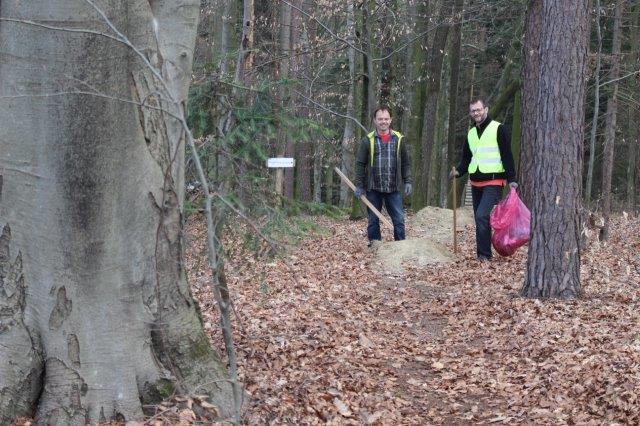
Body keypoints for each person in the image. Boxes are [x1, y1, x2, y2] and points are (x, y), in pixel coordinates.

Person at [450, 98, 517, 261]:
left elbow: (507, 155)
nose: (476, 113)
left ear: (486, 109)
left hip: (494, 181)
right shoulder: (471, 134)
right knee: (480, 218)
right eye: (473, 111)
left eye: (478, 110)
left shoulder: (499, 129)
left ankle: (484, 255)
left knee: (481, 216)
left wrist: (512, 179)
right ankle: (482, 254)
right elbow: (466, 159)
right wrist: (458, 171)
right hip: (475, 182)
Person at [354, 106, 412, 245]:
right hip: (373, 188)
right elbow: (360, 164)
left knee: (399, 219)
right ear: (375, 120)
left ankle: (401, 247)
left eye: (386, 119)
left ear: (390, 120)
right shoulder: (367, 140)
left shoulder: (399, 139)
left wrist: (408, 181)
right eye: (380, 119)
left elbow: (406, 163)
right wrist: (360, 185)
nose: (383, 122)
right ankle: (375, 246)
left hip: (394, 188)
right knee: (373, 220)